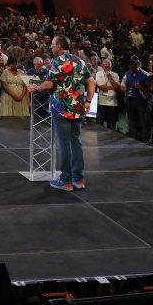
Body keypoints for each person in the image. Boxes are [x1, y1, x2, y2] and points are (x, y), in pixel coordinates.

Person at [35, 35, 95, 192]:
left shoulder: (58, 62)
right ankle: (79, 180)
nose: (51, 46)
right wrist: (88, 101)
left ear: (59, 46)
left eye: (53, 44)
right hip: (78, 108)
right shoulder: (79, 61)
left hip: (62, 108)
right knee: (76, 143)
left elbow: (48, 84)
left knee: (64, 145)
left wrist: (35, 88)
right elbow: (91, 82)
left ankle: (66, 181)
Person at [121, 58, 151, 144]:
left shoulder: (145, 75)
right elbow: (123, 83)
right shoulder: (128, 74)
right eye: (130, 68)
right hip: (130, 101)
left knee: (141, 121)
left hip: (140, 102)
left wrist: (141, 88)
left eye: (133, 68)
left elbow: (150, 88)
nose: (132, 70)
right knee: (131, 121)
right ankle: (133, 138)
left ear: (138, 66)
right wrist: (124, 87)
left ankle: (144, 139)